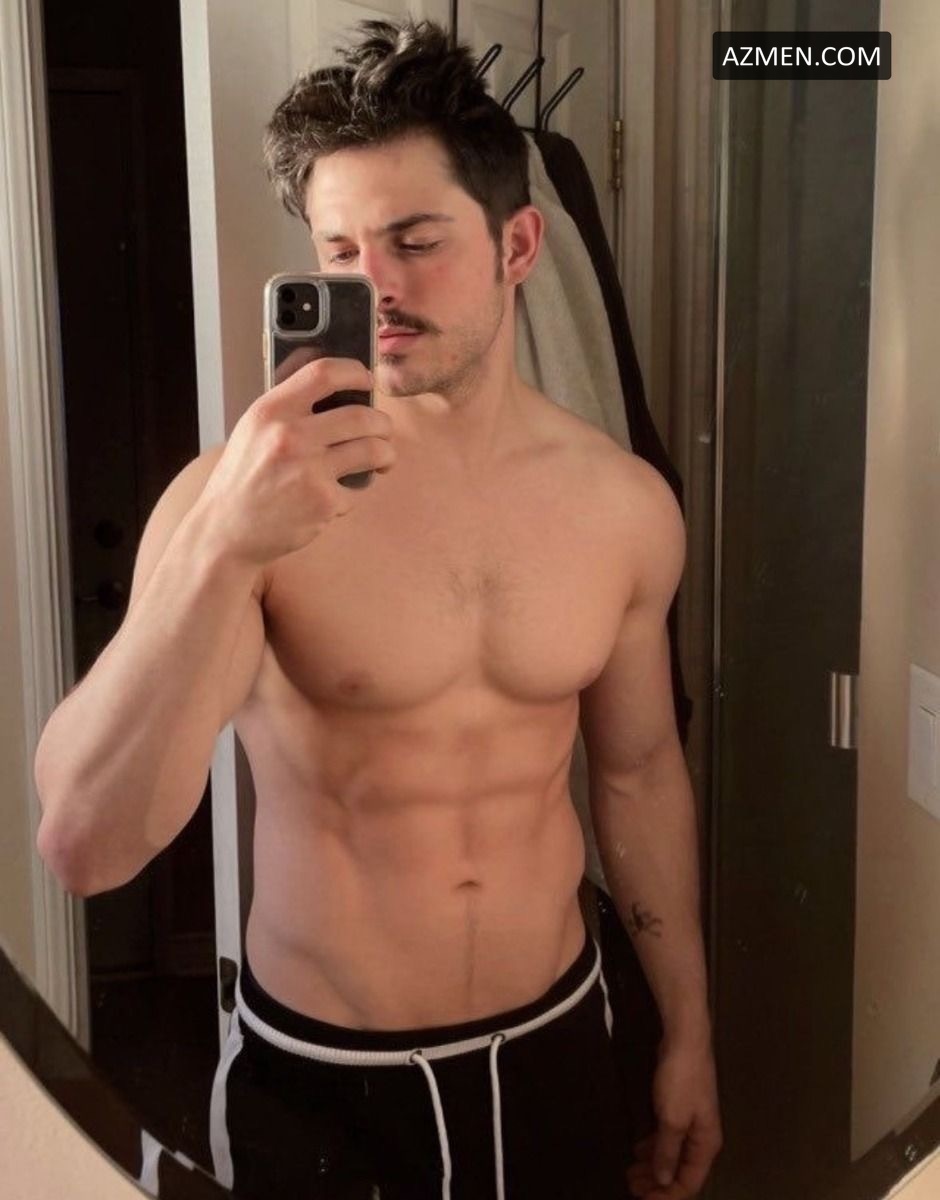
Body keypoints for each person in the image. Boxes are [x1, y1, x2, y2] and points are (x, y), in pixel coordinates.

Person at [33, 16, 721, 1200]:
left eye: (415, 240)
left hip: (558, 1041)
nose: (377, 287)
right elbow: (87, 849)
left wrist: (690, 1029)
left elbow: (638, 774)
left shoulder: (622, 505)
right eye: (340, 250)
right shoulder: (235, 503)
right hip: (323, 1080)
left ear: (517, 244)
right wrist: (223, 547)